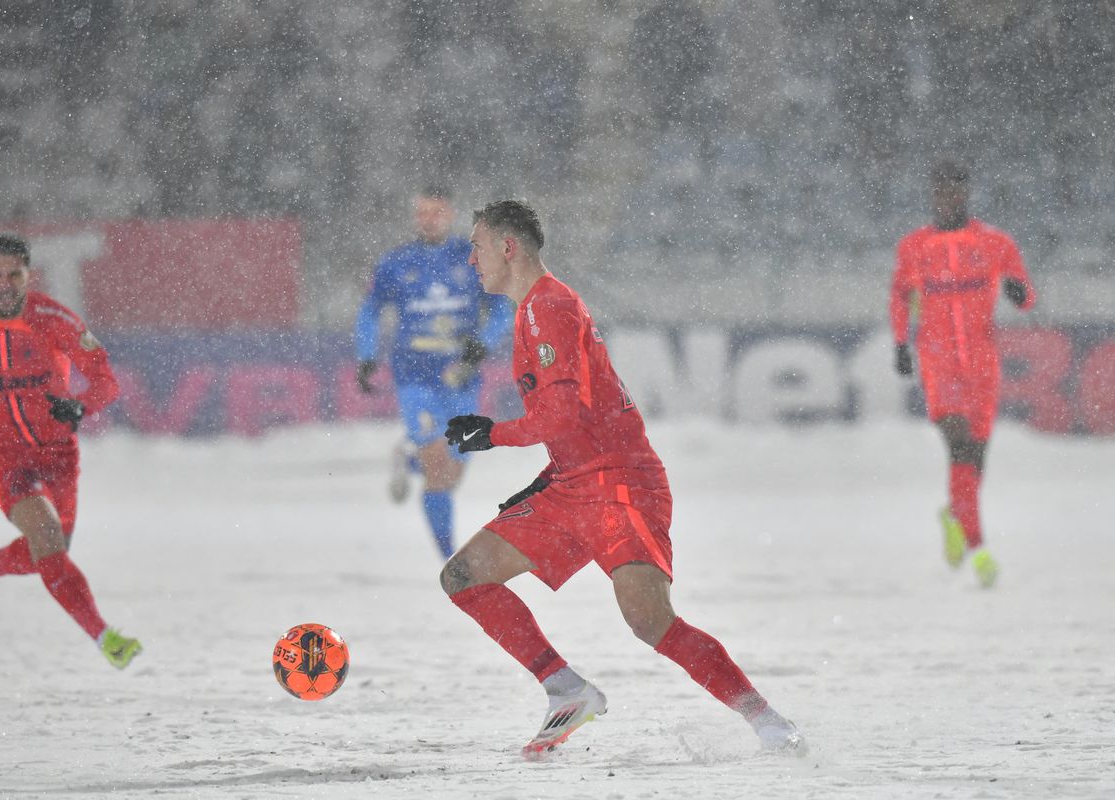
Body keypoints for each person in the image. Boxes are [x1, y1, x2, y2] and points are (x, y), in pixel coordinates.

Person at [440, 200, 806, 758]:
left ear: (508, 248)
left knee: (650, 621)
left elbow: (560, 417)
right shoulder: (534, 311)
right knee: (463, 576)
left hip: (619, 483)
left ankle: (770, 723)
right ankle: (564, 688)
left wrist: (493, 434)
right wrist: (544, 479)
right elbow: (577, 420)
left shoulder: (548, 308)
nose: (471, 259)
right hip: (572, 482)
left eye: (477, 246)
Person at [0, 234, 141, 668]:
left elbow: (106, 381)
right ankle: (105, 638)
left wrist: (81, 405)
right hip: (5, 458)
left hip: (59, 456)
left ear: (27, 275)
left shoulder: (54, 320)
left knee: (52, 556)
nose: (4, 283)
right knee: (48, 541)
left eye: (13, 274)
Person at [889, 159, 1036, 588]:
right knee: (960, 447)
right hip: (938, 363)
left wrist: (1018, 291)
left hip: (982, 365)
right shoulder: (914, 246)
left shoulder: (994, 243)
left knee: (976, 460)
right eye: (940, 190)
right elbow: (900, 297)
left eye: (954, 190)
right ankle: (981, 550)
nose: (947, 197)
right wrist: (900, 343)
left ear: (965, 194)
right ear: (932, 195)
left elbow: (1025, 296)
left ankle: (955, 514)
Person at [355, 186, 513, 560]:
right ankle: (449, 558)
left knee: (451, 473)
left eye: (436, 212)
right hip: (414, 375)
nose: (428, 220)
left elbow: (503, 308)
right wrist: (366, 355)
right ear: (415, 216)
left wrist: (483, 342)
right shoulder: (397, 263)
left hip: (460, 374)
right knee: (439, 469)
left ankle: (409, 459)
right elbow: (370, 310)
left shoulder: (472, 258)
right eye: (422, 213)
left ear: (450, 214)